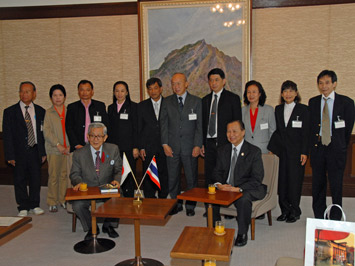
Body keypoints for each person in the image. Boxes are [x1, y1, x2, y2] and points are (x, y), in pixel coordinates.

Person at [309, 70, 354, 220]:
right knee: (318, 185)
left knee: (336, 184)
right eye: (320, 83)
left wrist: (340, 144)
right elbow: (311, 127)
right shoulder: (313, 102)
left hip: (336, 149)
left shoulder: (346, 102)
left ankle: (335, 217)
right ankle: (319, 217)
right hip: (318, 147)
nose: (323, 86)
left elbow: (347, 129)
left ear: (334, 84)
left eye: (327, 82)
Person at [212, 120, 266, 247]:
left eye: (235, 131)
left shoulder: (254, 151)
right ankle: (215, 226)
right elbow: (216, 172)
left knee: (243, 199)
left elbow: (257, 178)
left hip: (247, 187)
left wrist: (239, 189)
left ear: (243, 132)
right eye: (228, 132)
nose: (231, 134)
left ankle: (242, 233)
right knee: (211, 195)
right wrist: (219, 185)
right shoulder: (222, 150)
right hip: (226, 187)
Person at [70, 122, 122, 240]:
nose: (95, 139)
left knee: (118, 198)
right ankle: (91, 228)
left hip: (106, 187)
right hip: (87, 189)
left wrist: (116, 180)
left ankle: (108, 226)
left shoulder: (113, 149)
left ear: (105, 137)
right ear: (88, 137)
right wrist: (78, 182)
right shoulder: (79, 153)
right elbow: (74, 174)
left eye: (99, 136)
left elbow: (118, 169)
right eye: (92, 136)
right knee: (77, 205)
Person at [160, 73, 203, 216]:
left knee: (191, 178)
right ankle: (176, 204)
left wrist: (198, 144)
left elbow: (199, 126)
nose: (176, 86)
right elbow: (163, 124)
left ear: (186, 84)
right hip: (171, 147)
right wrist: (165, 144)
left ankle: (190, 205)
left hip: (190, 147)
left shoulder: (196, 101)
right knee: (173, 178)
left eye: (179, 83)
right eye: (173, 83)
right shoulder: (166, 101)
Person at [3, 81, 46, 217]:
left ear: (34, 93)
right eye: (21, 91)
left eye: (27, 91)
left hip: (35, 149)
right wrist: (10, 155)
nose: (24, 94)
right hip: (18, 151)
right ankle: (23, 205)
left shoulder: (40, 111)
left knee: (35, 178)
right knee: (19, 179)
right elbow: (7, 135)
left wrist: (43, 152)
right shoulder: (10, 112)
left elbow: (43, 134)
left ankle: (34, 204)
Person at [268, 80, 309, 223]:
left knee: (294, 182)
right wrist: (272, 149)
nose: (288, 94)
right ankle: (284, 210)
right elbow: (278, 132)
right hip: (282, 152)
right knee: (282, 183)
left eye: (291, 91)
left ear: (296, 93)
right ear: (281, 93)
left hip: (297, 153)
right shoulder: (278, 109)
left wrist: (305, 152)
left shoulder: (303, 110)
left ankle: (295, 211)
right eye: (285, 91)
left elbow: (306, 133)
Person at [201, 68, 242, 197]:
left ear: (223, 81)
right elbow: (202, 124)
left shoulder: (233, 98)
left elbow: (237, 123)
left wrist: (235, 142)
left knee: (225, 175)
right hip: (209, 144)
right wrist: (202, 143)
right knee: (210, 176)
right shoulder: (205, 100)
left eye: (217, 80)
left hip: (226, 143)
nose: (213, 83)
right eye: (211, 80)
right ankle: (211, 208)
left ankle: (226, 205)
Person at [138, 77, 168, 198]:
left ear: (161, 89)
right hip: (148, 146)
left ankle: (163, 198)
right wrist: (141, 147)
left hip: (165, 145)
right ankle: (150, 199)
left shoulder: (169, 103)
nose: (153, 91)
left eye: (155, 88)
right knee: (148, 174)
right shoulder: (141, 106)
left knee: (164, 174)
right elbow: (139, 128)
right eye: (150, 89)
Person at [107, 81, 139, 197]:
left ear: (127, 92)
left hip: (129, 147)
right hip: (114, 148)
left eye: (122, 91)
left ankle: (129, 197)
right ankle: (117, 198)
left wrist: (136, 146)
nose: (119, 93)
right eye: (117, 91)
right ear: (114, 92)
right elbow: (109, 129)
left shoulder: (133, 106)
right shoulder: (110, 108)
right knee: (115, 173)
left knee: (129, 174)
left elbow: (136, 128)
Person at [43, 84, 70, 212]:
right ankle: (52, 201)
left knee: (64, 175)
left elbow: (72, 129)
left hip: (68, 150)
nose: (58, 98)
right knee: (53, 176)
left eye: (60, 95)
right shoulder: (48, 113)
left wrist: (69, 146)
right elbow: (47, 132)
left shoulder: (69, 110)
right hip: (54, 149)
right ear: (51, 98)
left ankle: (63, 199)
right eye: (55, 95)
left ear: (64, 97)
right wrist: (58, 145)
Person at [66, 80, 108, 152]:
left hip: (97, 145)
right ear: (78, 91)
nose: (85, 92)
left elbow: (105, 125)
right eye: (82, 90)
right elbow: (69, 128)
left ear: (92, 91)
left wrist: (100, 142)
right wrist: (76, 144)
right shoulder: (72, 107)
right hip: (78, 147)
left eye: (88, 90)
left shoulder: (100, 106)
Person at [242, 80, 276, 154]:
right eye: (248, 92)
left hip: (264, 150)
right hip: (247, 151)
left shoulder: (269, 110)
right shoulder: (242, 111)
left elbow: (273, 131)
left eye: (254, 92)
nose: (251, 95)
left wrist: (272, 149)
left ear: (260, 94)